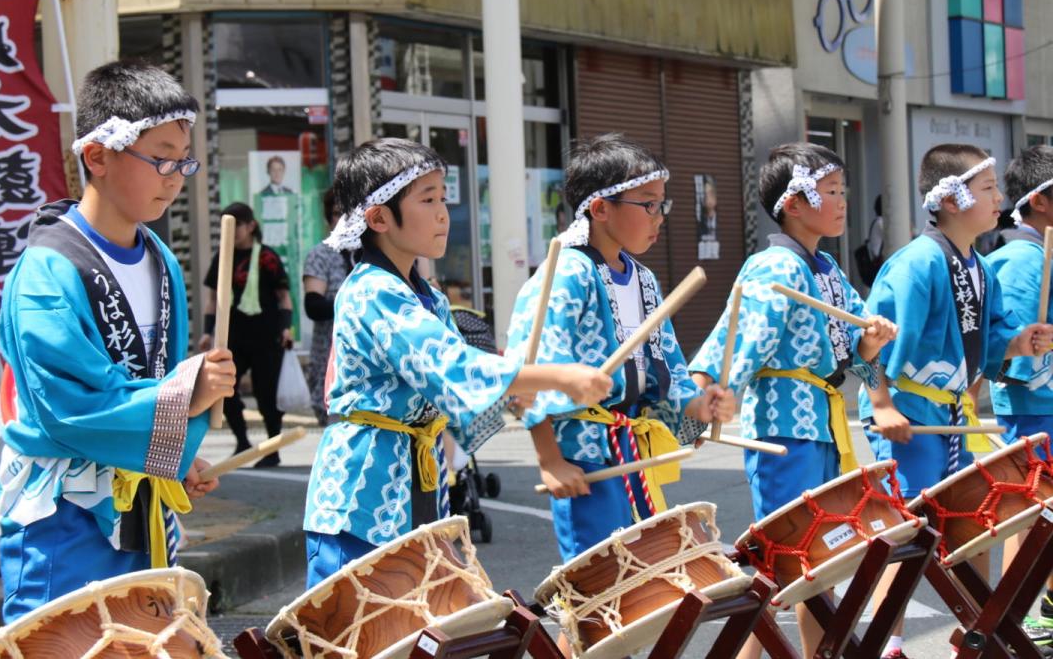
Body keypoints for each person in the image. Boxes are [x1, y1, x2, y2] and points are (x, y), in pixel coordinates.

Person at [301, 137, 613, 586]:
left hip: (415, 480)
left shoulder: (427, 297)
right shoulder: (372, 291)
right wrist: (558, 377)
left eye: (443, 198)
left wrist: (522, 393)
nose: (443, 212)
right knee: (359, 639)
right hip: (361, 493)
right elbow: (452, 366)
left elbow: (458, 385)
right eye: (427, 200)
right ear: (379, 218)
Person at [0, 60, 232, 622]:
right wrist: (183, 399)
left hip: (140, 505)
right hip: (63, 513)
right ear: (97, 156)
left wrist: (179, 454)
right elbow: (69, 410)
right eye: (160, 158)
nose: (174, 176)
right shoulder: (46, 271)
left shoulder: (160, 259)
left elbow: (158, 377)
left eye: (183, 160)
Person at [689, 143, 898, 659]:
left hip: (822, 426)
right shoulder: (775, 267)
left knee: (806, 560)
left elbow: (854, 353)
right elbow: (743, 339)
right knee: (796, 560)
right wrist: (725, 392)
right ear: (795, 204)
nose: (842, 201)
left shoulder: (825, 266)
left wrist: (871, 344)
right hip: (783, 427)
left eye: (842, 191)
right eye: (830, 192)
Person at [859, 144, 1053, 659]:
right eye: (988, 189)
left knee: (973, 527)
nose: (999, 199)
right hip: (910, 415)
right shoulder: (916, 264)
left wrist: (1020, 341)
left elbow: (989, 342)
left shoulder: (979, 268)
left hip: (949, 416)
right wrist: (880, 404)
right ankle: (890, 644)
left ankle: (976, 633)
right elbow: (864, 346)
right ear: (951, 198)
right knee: (902, 539)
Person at [507, 134, 736, 567]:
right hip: (582, 453)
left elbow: (668, 363)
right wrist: (549, 459)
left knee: (642, 577)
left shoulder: (644, 279)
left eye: (662, 205)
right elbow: (531, 367)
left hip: (631, 450)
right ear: (600, 208)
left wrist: (700, 407)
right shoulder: (566, 272)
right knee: (600, 584)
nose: (659, 217)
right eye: (647, 204)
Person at [986, 145, 1053, 647]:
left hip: (1044, 403)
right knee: (1030, 515)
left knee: (1039, 515)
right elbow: (1012, 347)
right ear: (1041, 200)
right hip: (1034, 405)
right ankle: (1010, 619)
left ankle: (1034, 616)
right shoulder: (1019, 258)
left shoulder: (1039, 252)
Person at [200, 202, 293, 461]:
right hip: (234, 335)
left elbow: (284, 297)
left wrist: (286, 328)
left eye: (238, 224)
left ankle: (272, 449)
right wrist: (208, 332)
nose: (234, 230)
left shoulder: (267, 257)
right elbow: (212, 299)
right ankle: (241, 441)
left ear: (251, 225)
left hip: (266, 335)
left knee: (267, 395)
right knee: (224, 389)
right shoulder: (223, 257)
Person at [302, 189, 352, 425]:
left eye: (350, 212)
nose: (343, 219)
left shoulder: (376, 252)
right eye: (336, 214)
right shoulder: (321, 254)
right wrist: (353, 303)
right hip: (332, 354)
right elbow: (313, 306)